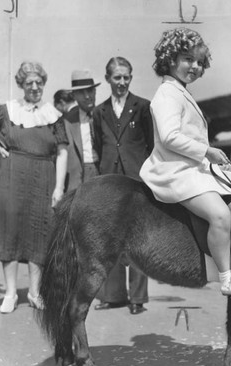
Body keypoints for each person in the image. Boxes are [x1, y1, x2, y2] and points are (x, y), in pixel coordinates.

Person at [139, 27, 231, 299]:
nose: (195, 66)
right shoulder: (167, 93)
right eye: (188, 59)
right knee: (219, 215)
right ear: (169, 59)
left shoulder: (181, 92)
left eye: (200, 62)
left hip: (191, 167)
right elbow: (169, 137)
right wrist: (208, 151)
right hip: (175, 171)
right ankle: (227, 279)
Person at [0, 61, 68, 314]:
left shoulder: (53, 115)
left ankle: (34, 291)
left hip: (43, 177)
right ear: (21, 85)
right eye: (29, 83)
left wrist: (59, 188)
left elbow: (63, 152)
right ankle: (10, 292)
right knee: (9, 230)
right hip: (12, 176)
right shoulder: (8, 110)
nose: (34, 87)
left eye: (39, 82)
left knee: (39, 233)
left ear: (44, 83)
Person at [92, 57, 153, 315]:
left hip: (136, 180)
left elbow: (151, 145)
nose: (122, 82)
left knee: (137, 237)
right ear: (108, 79)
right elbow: (98, 145)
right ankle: (114, 295)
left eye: (126, 77)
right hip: (110, 181)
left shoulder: (142, 107)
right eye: (117, 77)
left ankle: (138, 298)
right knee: (110, 238)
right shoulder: (99, 111)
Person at [63, 70, 100, 192]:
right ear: (74, 96)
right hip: (78, 178)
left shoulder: (104, 115)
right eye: (81, 92)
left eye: (90, 90)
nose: (87, 96)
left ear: (95, 91)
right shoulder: (66, 121)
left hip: (102, 175)